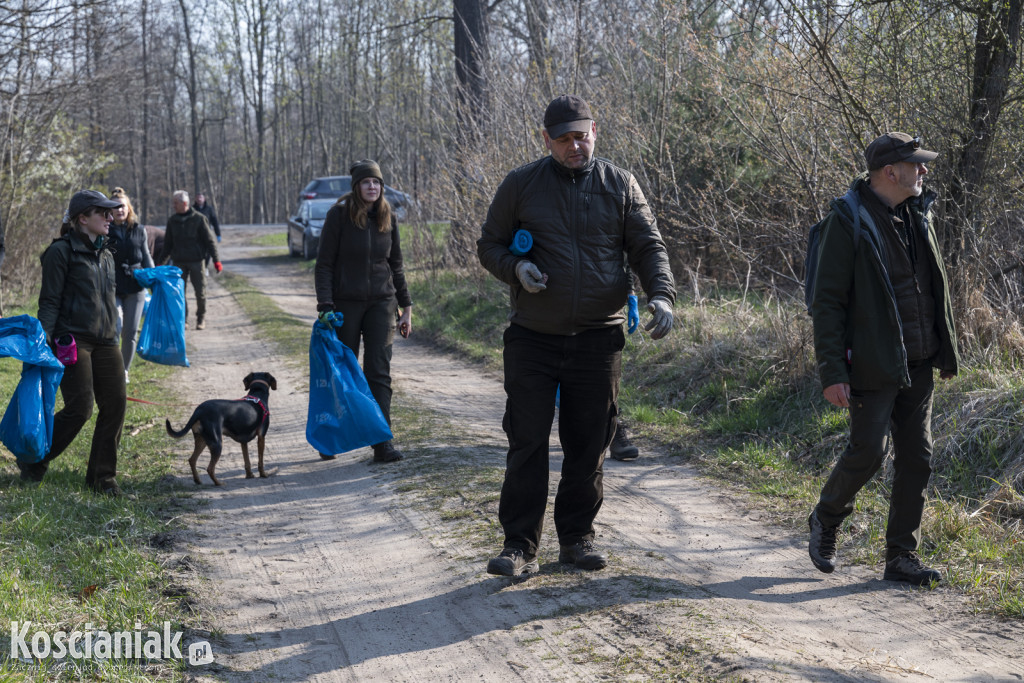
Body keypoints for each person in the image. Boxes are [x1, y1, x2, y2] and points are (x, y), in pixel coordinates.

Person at [477, 94, 676, 576]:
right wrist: (517, 266)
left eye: (581, 136)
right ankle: (519, 546)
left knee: (589, 443)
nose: (574, 146)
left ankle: (576, 538)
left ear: (595, 132)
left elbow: (648, 246)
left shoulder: (620, 185)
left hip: (597, 337)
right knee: (527, 441)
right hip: (533, 337)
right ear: (545, 139)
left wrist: (662, 294)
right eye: (563, 139)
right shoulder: (521, 184)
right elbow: (489, 245)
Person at [807, 132, 960, 586]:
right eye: (917, 164)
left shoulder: (918, 215)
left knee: (918, 458)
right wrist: (832, 372)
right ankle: (826, 516)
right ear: (891, 172)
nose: (924, 171)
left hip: (919, 361)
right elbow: (827, 303)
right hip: (872, 363)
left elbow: (933, 289)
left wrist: (945, 350)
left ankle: (900, 557)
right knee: (870, 451)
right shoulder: (847, 220)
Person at [23, 190, 127, 495]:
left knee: (116, 405)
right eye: (102, 213)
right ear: (82, 219)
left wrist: (116, 334)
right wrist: (43, 343)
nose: (110, 218)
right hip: (73, 341)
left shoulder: (107, 253)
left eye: (110, 213)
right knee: (81, 407)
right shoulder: (60, 252)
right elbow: (50, 301)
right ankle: (34, 460)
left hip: (107, 341)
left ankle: (102, 478)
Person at [314, 159, 412, 464]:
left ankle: (382, 442)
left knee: (379, 373)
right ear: (356, 186)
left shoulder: (388, 216)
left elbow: (395, 264)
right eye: (367, 182)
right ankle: (330, 437)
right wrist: (326, 306)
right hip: (344, 305)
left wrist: (406, 307)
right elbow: (324, 264)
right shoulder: (339, 215)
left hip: (382, 304)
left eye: (377, 182)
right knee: (342, 372)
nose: (373, 187)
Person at [107, 187, 154, 383]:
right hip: (113, 286)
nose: (120, 210)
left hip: (136, 287)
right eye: (116, 207)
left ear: (129, 209)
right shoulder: (105, 231)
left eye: (123, 206)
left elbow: (146, 257)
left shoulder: (139, 230)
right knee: (116, 328)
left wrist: (154, 279)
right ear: (110, 211)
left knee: (130, 332)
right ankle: (113, 368)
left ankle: (124, 371)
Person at [161, 190, 220, 330]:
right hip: (179, 262)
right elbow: (167, 245)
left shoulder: (199, 219)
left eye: (176, 203)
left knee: (200, 292)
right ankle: (184, 319)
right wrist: (160, 263)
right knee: (179, 293)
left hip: (197, 261)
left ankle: (201, 318)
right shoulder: (172, 221)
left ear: (185, 203)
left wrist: (217, 260)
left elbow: (210, 241)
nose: (173, 206)